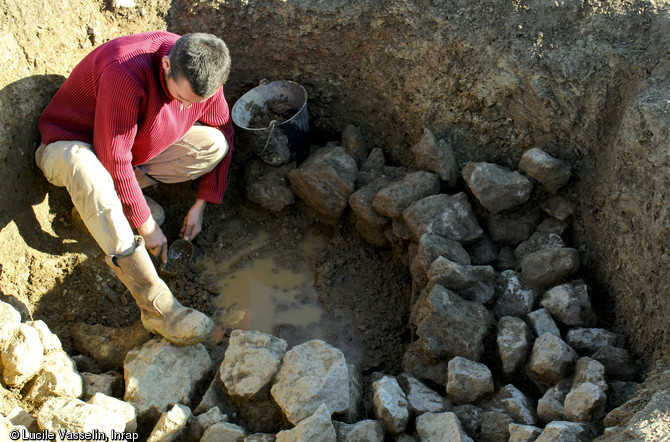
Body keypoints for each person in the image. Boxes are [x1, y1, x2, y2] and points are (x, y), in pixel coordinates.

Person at [35, 31, 235, 345]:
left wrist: (201, 202)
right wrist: (147, 223)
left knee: (213, 144)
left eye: (193, 104)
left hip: (133, 150)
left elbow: (223, 127)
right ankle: (156, 306)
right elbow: (113, 159)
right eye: (179, 99)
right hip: (71, 146)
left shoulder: (205, 70)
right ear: (167, 65)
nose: (185, 108)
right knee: (85, 166)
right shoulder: (125, 71)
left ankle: (110, 206)